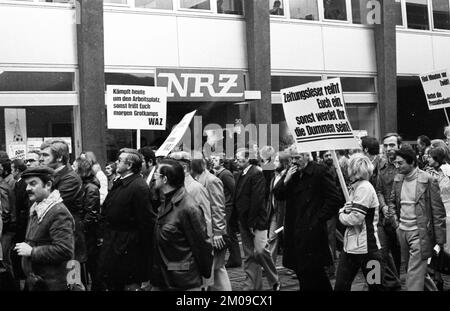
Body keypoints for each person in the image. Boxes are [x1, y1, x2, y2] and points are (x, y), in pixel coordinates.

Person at [273, 147, 341, 291]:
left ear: (306, 156)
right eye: (292, 158)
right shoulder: (292, 172)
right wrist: (285, 180)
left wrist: (318, 219)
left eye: (297, 158)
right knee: (302, 271)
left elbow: (334, 199)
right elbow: (278, 194)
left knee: (314, 271)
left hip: (312, 230)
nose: (294, 161)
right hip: (294, 229)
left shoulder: (319, 171)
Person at [97, 148, 156, 290]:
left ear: (129, 165)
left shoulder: (139, 187)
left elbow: (146, 224)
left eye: (119, 160)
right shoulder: (121, 182)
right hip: (114, 243)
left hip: (127, 249)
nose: (116, 163)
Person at [389, 145, 446, 291]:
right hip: (402, 231)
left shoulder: (428, 180)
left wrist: (440, 241)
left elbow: (438, 212)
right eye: (396, 163)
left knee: (413, 274)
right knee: (417, 271)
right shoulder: (398, 179)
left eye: (400, 163)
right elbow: (392, 203)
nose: (397, 166)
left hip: (421, 234)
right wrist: (396, 225)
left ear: (412, 162)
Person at [151, 159, 213, 291]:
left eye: (156, 174)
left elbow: (201, 245)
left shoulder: (189, 208)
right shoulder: (165, 201)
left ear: (165, 179)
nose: (154, 177)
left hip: (183, 281)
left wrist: (203, 275)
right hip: (164, 278)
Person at [14, 166, 74, 291]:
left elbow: (64, 250)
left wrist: (32, 251)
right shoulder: (38, 207)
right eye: (27, 184)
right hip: (38, 283)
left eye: (33, 184)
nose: (28, 188)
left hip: (52, 285)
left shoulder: (58, 212)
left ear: (48, 185)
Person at [40, 139, 87, 284]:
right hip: (59, 237)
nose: (41, 159)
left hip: (71, 238)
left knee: (73, 282)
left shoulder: (71, 178)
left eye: (45, 155)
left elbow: (50, 204)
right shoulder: (51, 175)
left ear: (60, 157)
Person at [334, 153, 384, 291]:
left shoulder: (364, 188)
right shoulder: (357, 187)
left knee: (375, 286)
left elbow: (355, 218)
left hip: (368, 247)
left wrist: (341, 214)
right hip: (354, 247)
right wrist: (345, 211)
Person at [234, 149, 280, 291]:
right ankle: (252, 286)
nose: (236, 161)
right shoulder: (240, 174)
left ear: (247, 159)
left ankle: (274, 279)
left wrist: (252, 223)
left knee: (260, 251)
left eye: (238, 158)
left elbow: (257, 199)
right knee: (249, 256)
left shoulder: (256, 173)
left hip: (256, 221)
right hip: (244, 220)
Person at [191, 158, 231, 291]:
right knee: (217, 269)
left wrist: (218, 232)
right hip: (209, 231)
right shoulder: (199, 179)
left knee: (214, 269)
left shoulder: (211, 180)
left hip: (214, 233)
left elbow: (218, 207)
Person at [376, 133, 402, 290]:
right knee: (380, 254)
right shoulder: (381, 165)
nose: (388, 149)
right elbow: (378, 190)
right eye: (385, 145)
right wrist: (383, 206)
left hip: (399, 219)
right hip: (383, 218)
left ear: (399, 145)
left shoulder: (406, 165)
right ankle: (377, 285)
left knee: (398, 258)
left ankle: (395, 284)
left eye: (391, 145)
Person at [424, 146, 450, 290]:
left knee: (446, 248)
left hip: (448, 214)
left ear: (438, 158)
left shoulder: (447, 171)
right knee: (436, 248)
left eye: (431, 156)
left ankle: (446, 280)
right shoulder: (427, 172)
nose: (428, 158)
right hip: (435, 214)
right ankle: (438, 278)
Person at [74, 157, 101, 290]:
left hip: (87, 234)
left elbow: (91, 213)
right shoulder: (82, 185)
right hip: (83, 232)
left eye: (75, 167)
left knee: (89, 263)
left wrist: (81, 227)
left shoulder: (90, 188)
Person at [211, 154, 242, 268]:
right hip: (225, 207)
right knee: (230, 233)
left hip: (228, 207)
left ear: (222, 162)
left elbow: (234, 190)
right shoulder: (218, 174)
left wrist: (234, 208)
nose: (212, 160)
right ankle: (235, 258)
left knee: (229, 233)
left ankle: (234, 258)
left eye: (215, 159)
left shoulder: (225, 174)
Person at [267, 151, 289, 265]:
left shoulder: (288, 176)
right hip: (275, 213)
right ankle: (270, 265)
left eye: (276, 161)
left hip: (286, 213)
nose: (274, 163)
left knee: (288, 239)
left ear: (283, 162)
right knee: (272, 237)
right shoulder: (274, 176)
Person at [11, 159, 29, 286]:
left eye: (12, 169)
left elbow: (22, 207)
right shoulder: (18, 183)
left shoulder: (23, 184)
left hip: (22, 226)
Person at [0, 152, 16, 280]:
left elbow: (5, 210)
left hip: (5, 229)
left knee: (5, 260)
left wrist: (3, 223)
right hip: (8, 227)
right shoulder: (6, 183)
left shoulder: (4, 185)